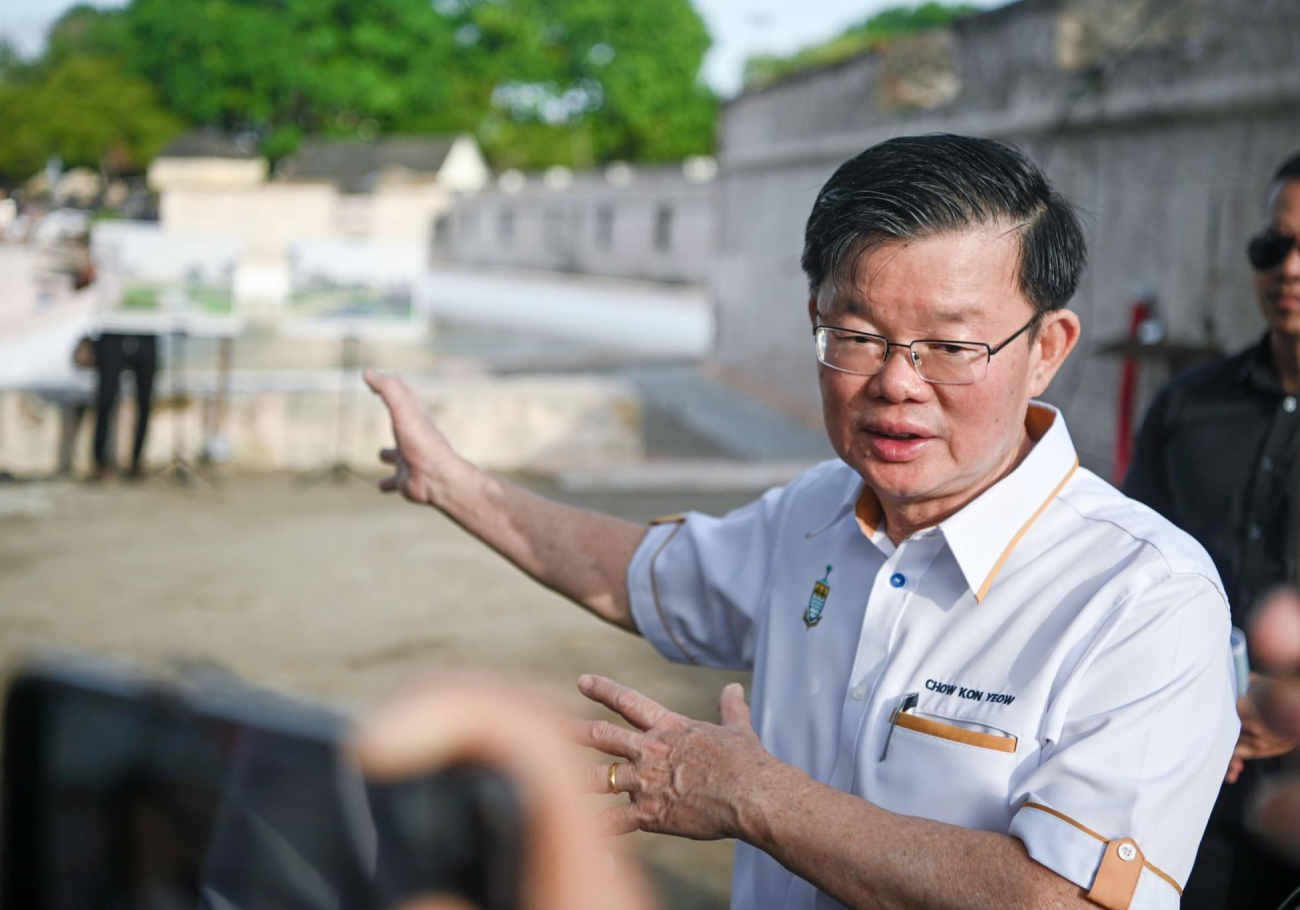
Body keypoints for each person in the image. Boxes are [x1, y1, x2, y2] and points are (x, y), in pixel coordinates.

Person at [368, 134, 1237, 910]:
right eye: (855, 336)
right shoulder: (817, 513)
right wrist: (453, 484)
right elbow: (643, 573)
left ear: (1047, 348)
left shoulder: (1144, 598)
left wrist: (755, 798)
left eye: (949, 347)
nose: (898, 381)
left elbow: (1069, 899)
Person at [1123, 152, 1300, 909]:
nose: (1290, 268)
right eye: (1274, 245)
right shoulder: (1186, 407)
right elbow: (1129, 577)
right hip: (1180, 778)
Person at [92, 331, 158, 480]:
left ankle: (137, 461)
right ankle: (99, 462)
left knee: (145, 402)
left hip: (147, 333)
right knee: (105, 400)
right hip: (112, 331)